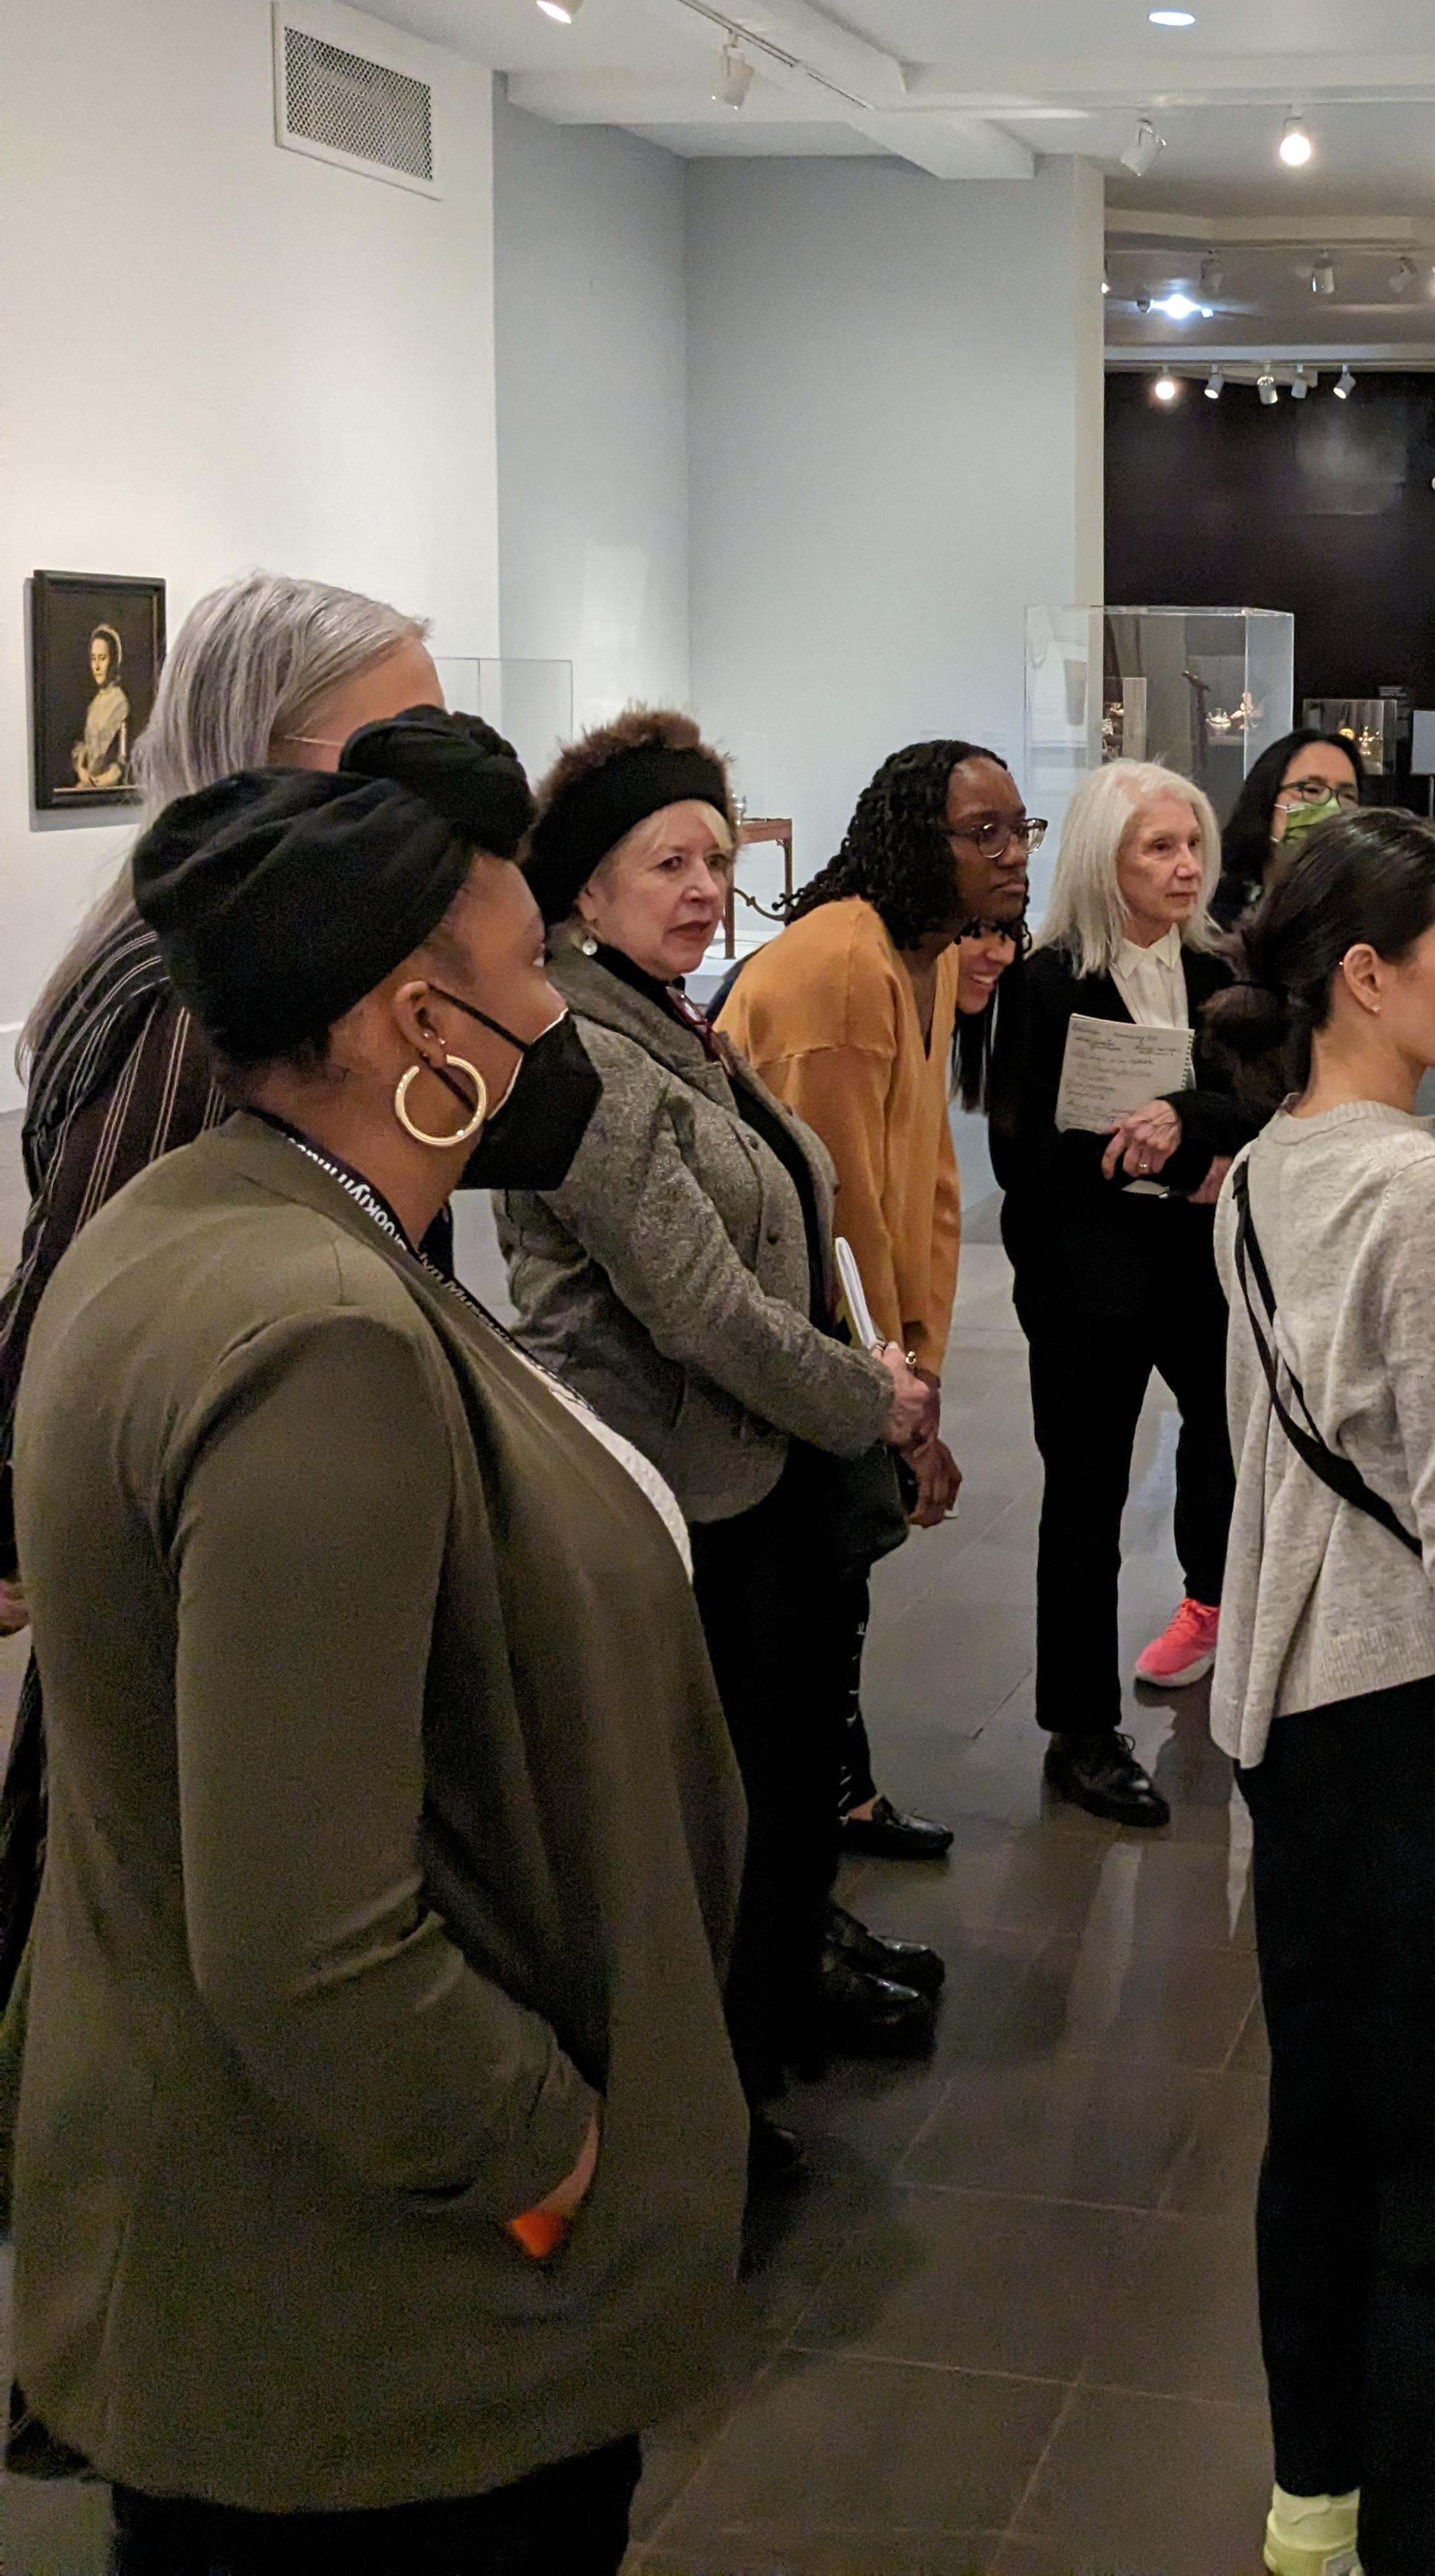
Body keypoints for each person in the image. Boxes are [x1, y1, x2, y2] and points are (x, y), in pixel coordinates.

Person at [12, 708, 743, 2571]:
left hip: (286, 2266)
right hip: (370, 2339)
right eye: (524, 979)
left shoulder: (196, 1224)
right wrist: (540, 2161)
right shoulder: (321, 1336)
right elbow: (313, 1944)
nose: (555, 1022)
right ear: (426, 1025)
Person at [0, 574, 444, 2119]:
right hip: (187, 1549)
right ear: (265, 752)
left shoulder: (223, 952)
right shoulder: (192, 985)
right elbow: (108, 1276)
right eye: (394, 749)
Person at [497, 712, 942, 2186]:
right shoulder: (588, 1047)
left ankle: (754, 2058)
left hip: (756, 1480)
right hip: (686, 1494)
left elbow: (778, 1234)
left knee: (769, 1793)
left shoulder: (662, 1011)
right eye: (664, 860)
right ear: (584, 888)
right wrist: (866, 1399)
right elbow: (697, 1305)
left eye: (714, 855)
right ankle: (704, 2135)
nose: (703, 885)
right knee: (710, 1826)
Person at [1205, 808, 1435, 2576]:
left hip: (1294, 1721)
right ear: (1367, 973)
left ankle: (1313, 2504)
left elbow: (1278, 1487)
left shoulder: (1270, 1163)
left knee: (1324, 2136)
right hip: (1414, 1727)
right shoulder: (1422, 1195)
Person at [718, 739, 1038, 1859]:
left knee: (839, 1584)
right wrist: (886, 1390)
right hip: (793, 1346)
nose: (1011, 855)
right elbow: (833, 1214)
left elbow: (926, 1182)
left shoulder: (931, 955)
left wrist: (922, 1364)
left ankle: (837, 1805)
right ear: (916, 839)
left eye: (1019, 828)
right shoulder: (840, 970)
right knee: (807, 1600)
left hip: (864, 1349)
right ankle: (809, 1839)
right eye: (982, 833)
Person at [987, 759, 1265, 1821]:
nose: (1187, 865)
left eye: (1193, 843)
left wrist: (1185, 1123)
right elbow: (1019, 1160)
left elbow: (1262, 1109)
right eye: (1160, 847)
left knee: (1231, 1449)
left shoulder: (1220, 972)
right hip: (1083, 1282)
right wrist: (1140, 1154)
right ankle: (1080, 1730)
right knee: (1086, 1501)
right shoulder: (1044, 979)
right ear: (1108, 861)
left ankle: (1223, 1624)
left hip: (1199, 1274)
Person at [1212, 730, 1366, 931]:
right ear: (1266, 799)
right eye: (1311, 790)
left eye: (1346, 796)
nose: (1332, 808)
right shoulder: (1213, 912)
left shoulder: (1369, 911)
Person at [68, 626, 131, 791]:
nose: (96, 666)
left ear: (114, 660)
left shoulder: (120, 702)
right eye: (93, 658)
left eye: (102, 658)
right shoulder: (93, 704)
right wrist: (81, 769)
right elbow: (83, 745)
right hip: (88, 785)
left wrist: (102, 781)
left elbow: (123, 759)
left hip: (109, 789)